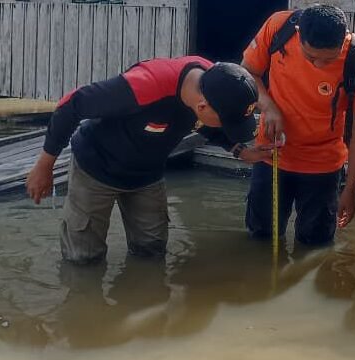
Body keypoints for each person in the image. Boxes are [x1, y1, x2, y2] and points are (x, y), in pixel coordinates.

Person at [26, 57, 269, 264]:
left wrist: (239, 150)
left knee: (151, 252)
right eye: (228, 123)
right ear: (202, 106)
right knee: (83, 258)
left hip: (147, 174)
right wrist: (44, 165)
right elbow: (71, 105)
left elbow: (207, 125)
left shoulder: (217, 81)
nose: (228, 128)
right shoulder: (144, 86)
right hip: (96, 167)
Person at [241, 4, 355, 246]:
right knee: (261, 236)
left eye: (329, 59)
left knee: (315, 245)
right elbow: (248, 72)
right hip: (271, 153)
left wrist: (351, 188)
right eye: (311, 57)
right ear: (298, 33)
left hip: (323, 164)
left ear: (343, 40)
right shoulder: (278, 28)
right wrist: (268, 107)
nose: (319, 66)